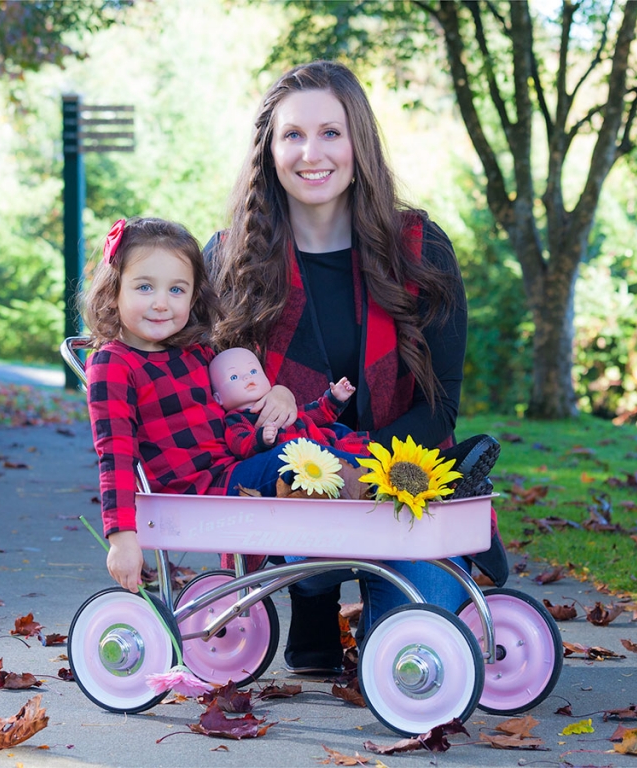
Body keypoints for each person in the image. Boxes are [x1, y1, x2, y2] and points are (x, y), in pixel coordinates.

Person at [205, 60, 506, 674]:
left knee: (415, 658)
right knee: (301, 512)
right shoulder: (232, 255)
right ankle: (311, 596)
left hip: (405, 482)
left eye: (330, 133)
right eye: (292, 134)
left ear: (358, 141)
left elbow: (441, 405)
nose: (311, 153)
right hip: (295, 486)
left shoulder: (422, 248)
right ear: (269, 147)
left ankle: (377, 599)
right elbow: (210, 393)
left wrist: (361, 469)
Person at [81, 216, 367, 593]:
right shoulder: (114, 364)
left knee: (333, 433)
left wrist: (279, 393)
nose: (161, 303)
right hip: (195, 494)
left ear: (195, 295)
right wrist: (121, 538)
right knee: (303, 455)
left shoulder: (195, 352)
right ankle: (388, 491)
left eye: (177, 290)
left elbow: (242, 399)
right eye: (145, 287)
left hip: (234, 467)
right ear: (114, 290)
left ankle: (393, 475)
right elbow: (115, 455)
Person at [209, 346, 370, 458]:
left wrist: (335, 398)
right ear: (218, 398)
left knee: (367, 455)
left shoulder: (281, 404)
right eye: (234, 377)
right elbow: (239, 444)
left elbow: (317, 414)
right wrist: (261, 438)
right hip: (301, 467)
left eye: (253, 371)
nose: (247, 377)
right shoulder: (236, 419)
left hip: (329, 449)